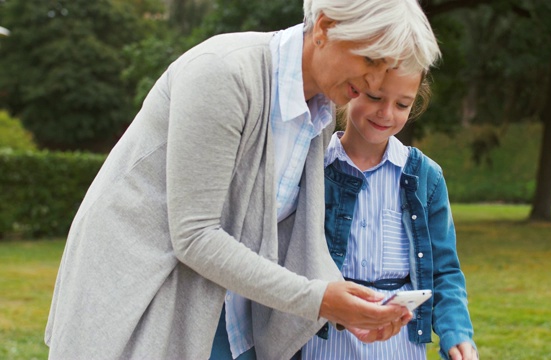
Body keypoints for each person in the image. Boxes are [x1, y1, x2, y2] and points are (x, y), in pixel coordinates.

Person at [44, 0, 441, 359]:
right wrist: (319, 299)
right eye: (370, 60)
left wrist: (350, 306)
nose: (374, 83)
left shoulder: (320, 110)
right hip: (145, 294)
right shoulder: (223, 73)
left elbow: (293, 233)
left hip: (227, 305)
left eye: (384, 66)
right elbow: (195, 236)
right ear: (324, 28)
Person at [301, 68, 479, 360]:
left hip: (400, 345)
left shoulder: (425, 177)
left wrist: (456, 332)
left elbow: (444, 271)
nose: (386, 113)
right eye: (375, 97)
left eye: (402, 104)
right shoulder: (313, 167)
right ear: (350, 89)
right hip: (324, 342)